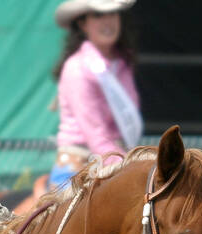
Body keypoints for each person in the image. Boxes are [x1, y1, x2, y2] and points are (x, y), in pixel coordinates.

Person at [49, 0, 142, 192]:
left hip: (118, 156)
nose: (108, 21)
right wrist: (127, 167)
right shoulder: (77, 68)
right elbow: (95, 131)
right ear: (82, 24)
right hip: (78, 163)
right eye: (99, 15)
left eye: (113, 14)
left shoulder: (123, 65)